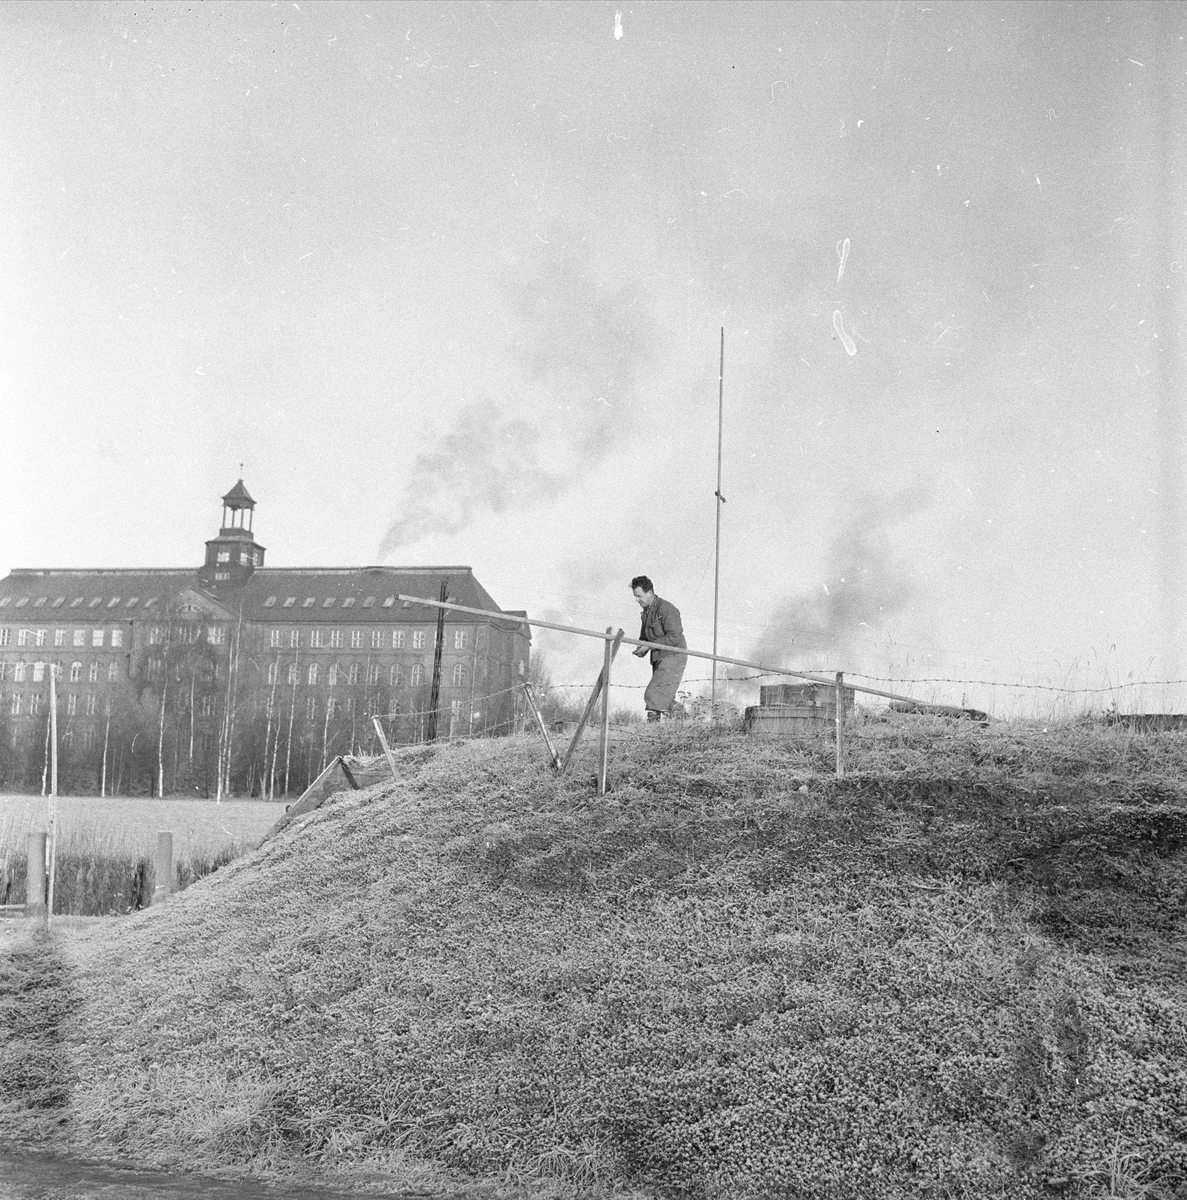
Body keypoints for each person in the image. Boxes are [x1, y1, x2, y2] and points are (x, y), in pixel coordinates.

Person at [630, 575, 687, 721]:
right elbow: (645, 637)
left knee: (653, 693)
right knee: (664, 697)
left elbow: (674, 636)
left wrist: (649, 645)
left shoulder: (667, 609)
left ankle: (652, 731)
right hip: (659, 658)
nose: (637, 600)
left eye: (639, 596)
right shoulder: (646, 613)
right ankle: (687, 723)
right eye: (635, 597)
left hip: (673, 656)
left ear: (650, 593)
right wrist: (641, 647)